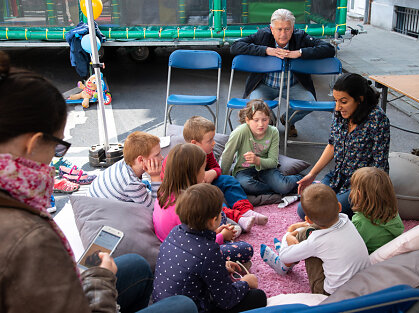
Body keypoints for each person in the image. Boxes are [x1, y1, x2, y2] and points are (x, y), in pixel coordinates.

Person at [0, 51, 197, 313]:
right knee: (183, 305)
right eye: (59, 147)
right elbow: (156, 206)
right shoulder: (29, 237)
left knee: (136, 265)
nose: (56, 158)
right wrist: (100, 279)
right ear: (33, 143)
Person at [153, 183, 267, 313]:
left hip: (160, 305)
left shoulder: (175, 232)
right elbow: (226, 300)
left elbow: (192, 267)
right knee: (258, 297)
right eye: (220, 213)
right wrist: (246, 283)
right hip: (190, 308)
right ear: (213, 220)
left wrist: (221, 266)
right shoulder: (209, 251)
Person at [297, 73, 390, 218]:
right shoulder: (340, 113)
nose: (338, 106)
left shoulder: (378, 118)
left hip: (363, 184)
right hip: (338, 176)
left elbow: (380, 164)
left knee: (329, 213)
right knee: (305, 209)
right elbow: (332, 145)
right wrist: (312, 174)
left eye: (344, 101)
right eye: (335, 100)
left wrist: (363, 193)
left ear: (360, 99)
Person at [230, 8, 335, 137]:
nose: (283, 34)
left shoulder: (300, 36)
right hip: (265, 85)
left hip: (292, 85)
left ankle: (287, 120)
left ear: (293, 28)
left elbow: (329, 49)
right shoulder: (263, 35)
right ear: (271, 29)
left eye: (287, 29)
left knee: (310, 102)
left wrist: (300, 53)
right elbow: (235, 47)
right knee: (256, 104)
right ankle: (271, 123)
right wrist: (266, 50)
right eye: (279, 29)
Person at [161, 116, 268, 231]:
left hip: (207, 183)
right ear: (195, 143)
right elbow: (174, 186)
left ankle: (245, 210)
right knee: (209, 200)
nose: (214, 143)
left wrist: (212, 172)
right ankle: (236, 218)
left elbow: (217, 168)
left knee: (229, 180)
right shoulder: (182, 158)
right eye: (210, 140)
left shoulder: (207, 152)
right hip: (191, 193)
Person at [260, 184, 370, 295]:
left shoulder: (316, 241)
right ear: (339, 207)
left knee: (305, 241)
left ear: (308, 219)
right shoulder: (346, 220)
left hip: (329, 293)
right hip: (362, 284)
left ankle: (282, 265)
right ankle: (290, 258)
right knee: (308, 232)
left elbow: (284, 255)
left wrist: (288, 234)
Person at [153, 143, 253, 263]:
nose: (205, 173)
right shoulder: (188, 206)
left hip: (177, 245)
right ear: (192, 174)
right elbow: (197, 247)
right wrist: (221, 236)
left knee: (220, 214)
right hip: (187, 256)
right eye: (203, 169)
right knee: (245, 249)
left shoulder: (164, 191)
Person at [221, 99, 302, 196]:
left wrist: (257, 160)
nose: (261, 124)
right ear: (247, 120)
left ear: (269, 119)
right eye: (256, 120)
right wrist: (223, 179)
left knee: (283, 186)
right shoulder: (240, 132)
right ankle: (277, 190)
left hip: (266, 168)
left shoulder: (273, 132)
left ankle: (299, 180)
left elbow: (273, 162)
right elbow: (227, 156)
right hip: (243, 169)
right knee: (244, 185)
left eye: (265, 120)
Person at [88, 131, 163, 209]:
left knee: (146, 185)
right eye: (157, 154)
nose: (162, 158)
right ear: (140, 160)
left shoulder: (126, 163)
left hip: (94, 200)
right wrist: (155, 177)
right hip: (99, 212)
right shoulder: (132, 183)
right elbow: (156, 208)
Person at [350, 167, 404, 254]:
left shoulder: (360, 222)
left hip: (370, 260)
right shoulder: (393, 212)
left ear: (359, 194)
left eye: (352, 188)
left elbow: (351, 248)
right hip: (389, 254)